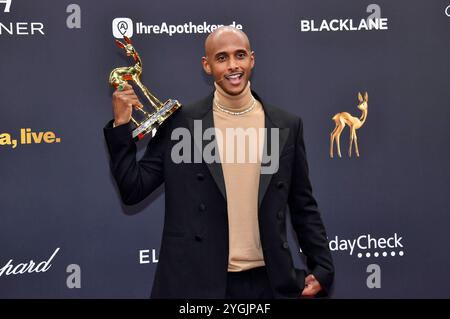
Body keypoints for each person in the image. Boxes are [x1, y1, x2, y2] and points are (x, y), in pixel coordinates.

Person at [104, 26, 334, 299]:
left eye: (239, 55)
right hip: (195, 283)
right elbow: (134, 188)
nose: (233, 65)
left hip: (268, 283)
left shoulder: (285, 126)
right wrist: (121, 126)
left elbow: (303, 205)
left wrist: (322, 268)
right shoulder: (182, 124)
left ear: (252, 59)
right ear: (207, 65)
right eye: (222, 58)